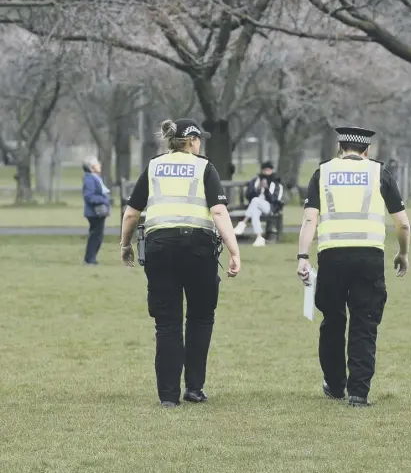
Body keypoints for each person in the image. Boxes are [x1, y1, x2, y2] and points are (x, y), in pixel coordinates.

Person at [120, 117, 241, 408]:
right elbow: (220, 212)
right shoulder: (204, 167)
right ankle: (194, 388)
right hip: (199, 249)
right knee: (200, 318)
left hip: (160, 249)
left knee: (167, 323)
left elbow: (131, 213)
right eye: (199, 139)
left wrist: (125, 245)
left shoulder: (154, 166)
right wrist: (234, 250)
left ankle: (167, 396)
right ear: (192, 140)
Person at [297, 126, 411, 407]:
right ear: (366, 151)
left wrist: (302, 257)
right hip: (368, 258)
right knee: (364, 323)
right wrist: (403, 253)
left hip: (331, 256)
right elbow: (403, 223)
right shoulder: (378, 173)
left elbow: (310, 219)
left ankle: (335, 386)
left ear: (340, 148)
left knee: (333, 321)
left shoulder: (322, 172)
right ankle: (359, 393)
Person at [233, 161, 284, 247]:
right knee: (255, 212)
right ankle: (259, 237)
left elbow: (275, 200)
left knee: (255, 200)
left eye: (269, 170)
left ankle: (243, 223)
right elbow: (248, 195)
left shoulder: (276, 184)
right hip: (256, 206)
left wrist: (266, 189)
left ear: (272, 171)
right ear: (263, 171)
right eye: (265, 170)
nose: (267, 172)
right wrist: (259, 189)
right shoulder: (256, 181)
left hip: (269, 207)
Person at [82, 155, 110, 265]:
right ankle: (89, 259)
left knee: (97, 236)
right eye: (96, 164)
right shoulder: (89, 179)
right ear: (91, 167)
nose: (99, 165)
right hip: (94, 213)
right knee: (95, 237)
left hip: (99, 213)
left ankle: (91, 259)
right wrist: (103, 200)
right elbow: (89, 196)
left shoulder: (95, 177)